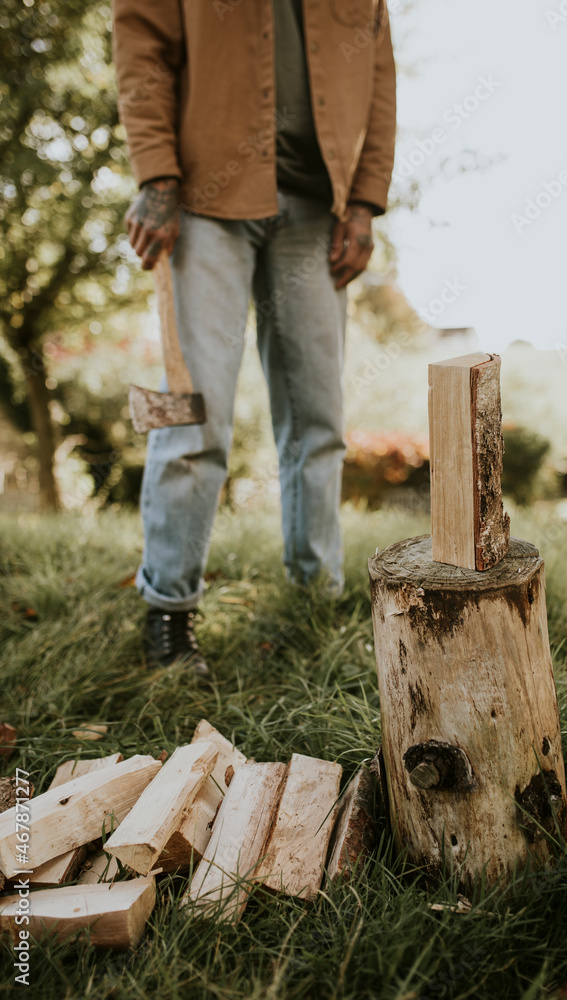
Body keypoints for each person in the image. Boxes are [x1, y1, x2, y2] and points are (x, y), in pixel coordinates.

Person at [112, 0, 397, 679]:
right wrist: (156, 173)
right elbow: (140, 41)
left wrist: (363, 201)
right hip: (201, 199)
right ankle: (169, 611)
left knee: (319, 419)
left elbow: (380, 80)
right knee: (189, 410)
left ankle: (313, 603)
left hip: (317, 209)